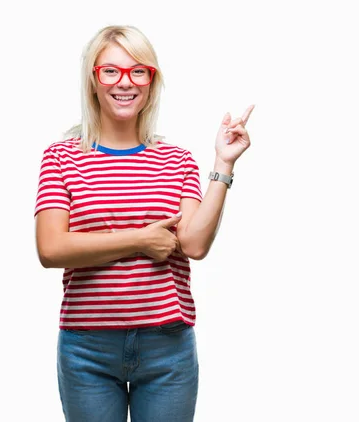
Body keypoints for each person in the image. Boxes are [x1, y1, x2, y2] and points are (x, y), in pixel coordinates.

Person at [34, 25, 254, 422]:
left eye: (139, 71)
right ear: (93, 80)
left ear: (151, 82)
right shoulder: (61, 158)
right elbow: (51, 249)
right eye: (111, 71)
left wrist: (223, 163)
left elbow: (194, 245)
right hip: (87, 350)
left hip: (167, 348)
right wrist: (140, 239)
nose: (125, 82)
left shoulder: (177, 160)